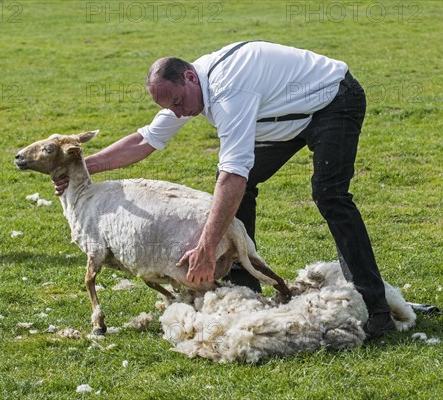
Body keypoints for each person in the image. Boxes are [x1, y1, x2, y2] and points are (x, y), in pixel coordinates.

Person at [53, 41, 396, 339]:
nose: (177, 112)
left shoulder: (229, 89)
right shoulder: (190, 89)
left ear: (188, 77)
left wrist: (204, 248)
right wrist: (80, 169)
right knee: (239, 190)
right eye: (167, 108)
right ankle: (242, 290)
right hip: (284, 114)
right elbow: (146, 139)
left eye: (176, 102)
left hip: (333, 100)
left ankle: (375, 307)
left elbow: (233, 174)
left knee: (329, 193)